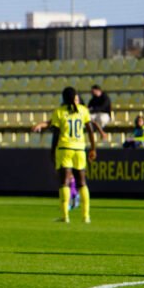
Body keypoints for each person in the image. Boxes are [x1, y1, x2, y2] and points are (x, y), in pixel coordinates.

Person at [31, 86, 98, 223]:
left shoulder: (59, 112)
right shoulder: (83, 110)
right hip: (79, 149)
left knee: (64, 182)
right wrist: (93, 148)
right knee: (82, 183)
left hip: (64, 149)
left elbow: (56, 134)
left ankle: (65, 216)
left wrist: (52, 151)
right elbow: (90, 131)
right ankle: (86, 216)